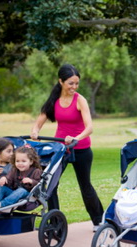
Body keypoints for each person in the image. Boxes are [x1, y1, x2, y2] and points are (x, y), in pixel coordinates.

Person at [30, 64, 104, 231]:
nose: (74, 87)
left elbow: (89, 127)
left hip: (81, 149)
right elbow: (40, 120)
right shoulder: (54, 100)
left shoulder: (80, 100)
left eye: (77, 83)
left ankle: (99, 220)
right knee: (50, 185)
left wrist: (75, 138)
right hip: (60, 150)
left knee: (85, 186)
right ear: (61, 81)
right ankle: (55, 221)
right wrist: (35, 131)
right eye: (71, 83)